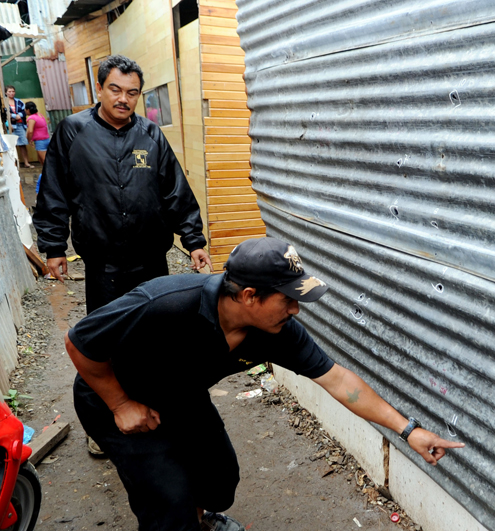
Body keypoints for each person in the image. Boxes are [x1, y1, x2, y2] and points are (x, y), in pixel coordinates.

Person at [65, 237, 464, 531]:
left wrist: (407, 430)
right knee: (167, 504)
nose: (295, 309)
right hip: (116, 395)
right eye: (288, 299)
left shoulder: (277, 331)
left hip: (181, 396)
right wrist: (119, 404)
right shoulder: (166, 303)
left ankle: (200, 519)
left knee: (220, 480)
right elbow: (79, 342)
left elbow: (339, 380)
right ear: (250, 296)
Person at [33, 54, 212, 312]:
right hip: (102, 264)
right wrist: (54, 247)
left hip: (151, 261)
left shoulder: (151, 134)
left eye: (132, 93)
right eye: (115, 90)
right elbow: (54, 193)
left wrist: (194, 240)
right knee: (108, 330)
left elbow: (176, 191)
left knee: (153, 325)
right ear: (99, 88)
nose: (123, 99)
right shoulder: (72, 131)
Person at [25, 101, 50, 194]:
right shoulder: (40, 115)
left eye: (25, 109)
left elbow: (30, 131)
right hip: (46, 139)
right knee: (43, 162)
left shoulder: (31, 118)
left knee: (45, 164)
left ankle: (46, 182)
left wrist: (29, 140)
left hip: (40, 142)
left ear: (28, 109)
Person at [6, 85, 33, 168]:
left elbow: (24, 112)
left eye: (13, 91)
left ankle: (26, 163)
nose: (11, 93)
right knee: (11, 145)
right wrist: (15, 116)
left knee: (23, 144)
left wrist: (17, 116)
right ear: (6, 92)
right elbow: (5, 114)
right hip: (10, 126)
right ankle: (13, 164)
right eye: (9, 91)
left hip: (20, 125)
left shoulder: (19, 101)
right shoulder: (4, 101)